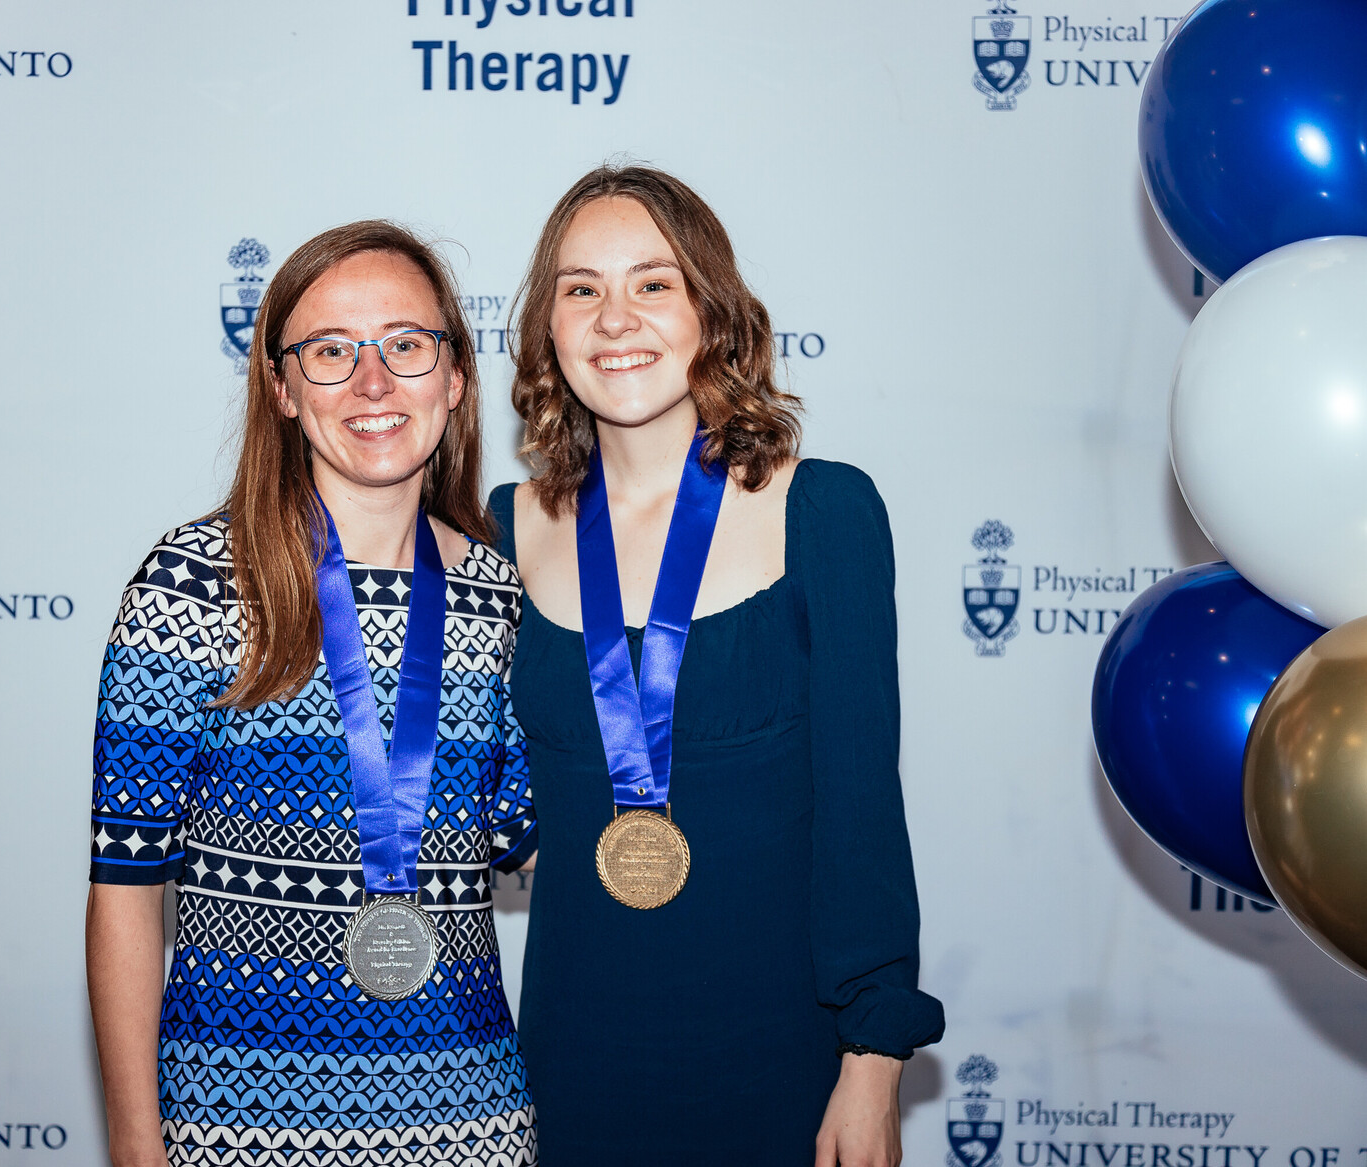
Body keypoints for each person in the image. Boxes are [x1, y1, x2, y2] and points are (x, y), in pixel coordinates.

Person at [489, 166, 944, 1165]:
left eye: (652, 284)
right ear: (546, 330)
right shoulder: (498, 531)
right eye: (580, 289)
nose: (615, 318)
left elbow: (862, 812)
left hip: (781, 1062)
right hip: (572, 1060)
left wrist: (871, 1064)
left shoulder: (823, 513)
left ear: (711, 313)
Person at [87, 221, 538, 1167]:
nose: (373, 383)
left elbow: (528, 840)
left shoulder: (505, 598)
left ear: (454, 380)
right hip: (234, 1126)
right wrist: (136, 1140)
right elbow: (126, 889)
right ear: (283, 389)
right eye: (331, 352)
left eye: (406, 346)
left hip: (470, 1121)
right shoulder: (191, 584)